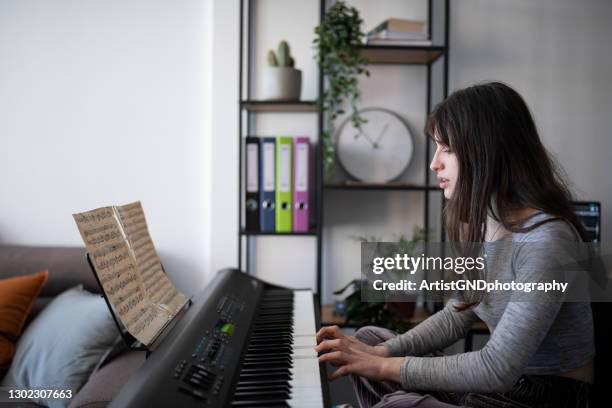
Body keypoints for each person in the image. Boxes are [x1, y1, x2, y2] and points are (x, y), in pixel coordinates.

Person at [316, 82, 594, 408]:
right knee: (368, 340)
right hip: (499, 391)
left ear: (486, 151)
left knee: (398, 401)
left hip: (544, 398)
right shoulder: (487, 225)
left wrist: (382, 366)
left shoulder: (547, 241)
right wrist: (381, 354)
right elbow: (456, 316)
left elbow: (497, 368)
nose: (434, 163)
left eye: (446, 149)